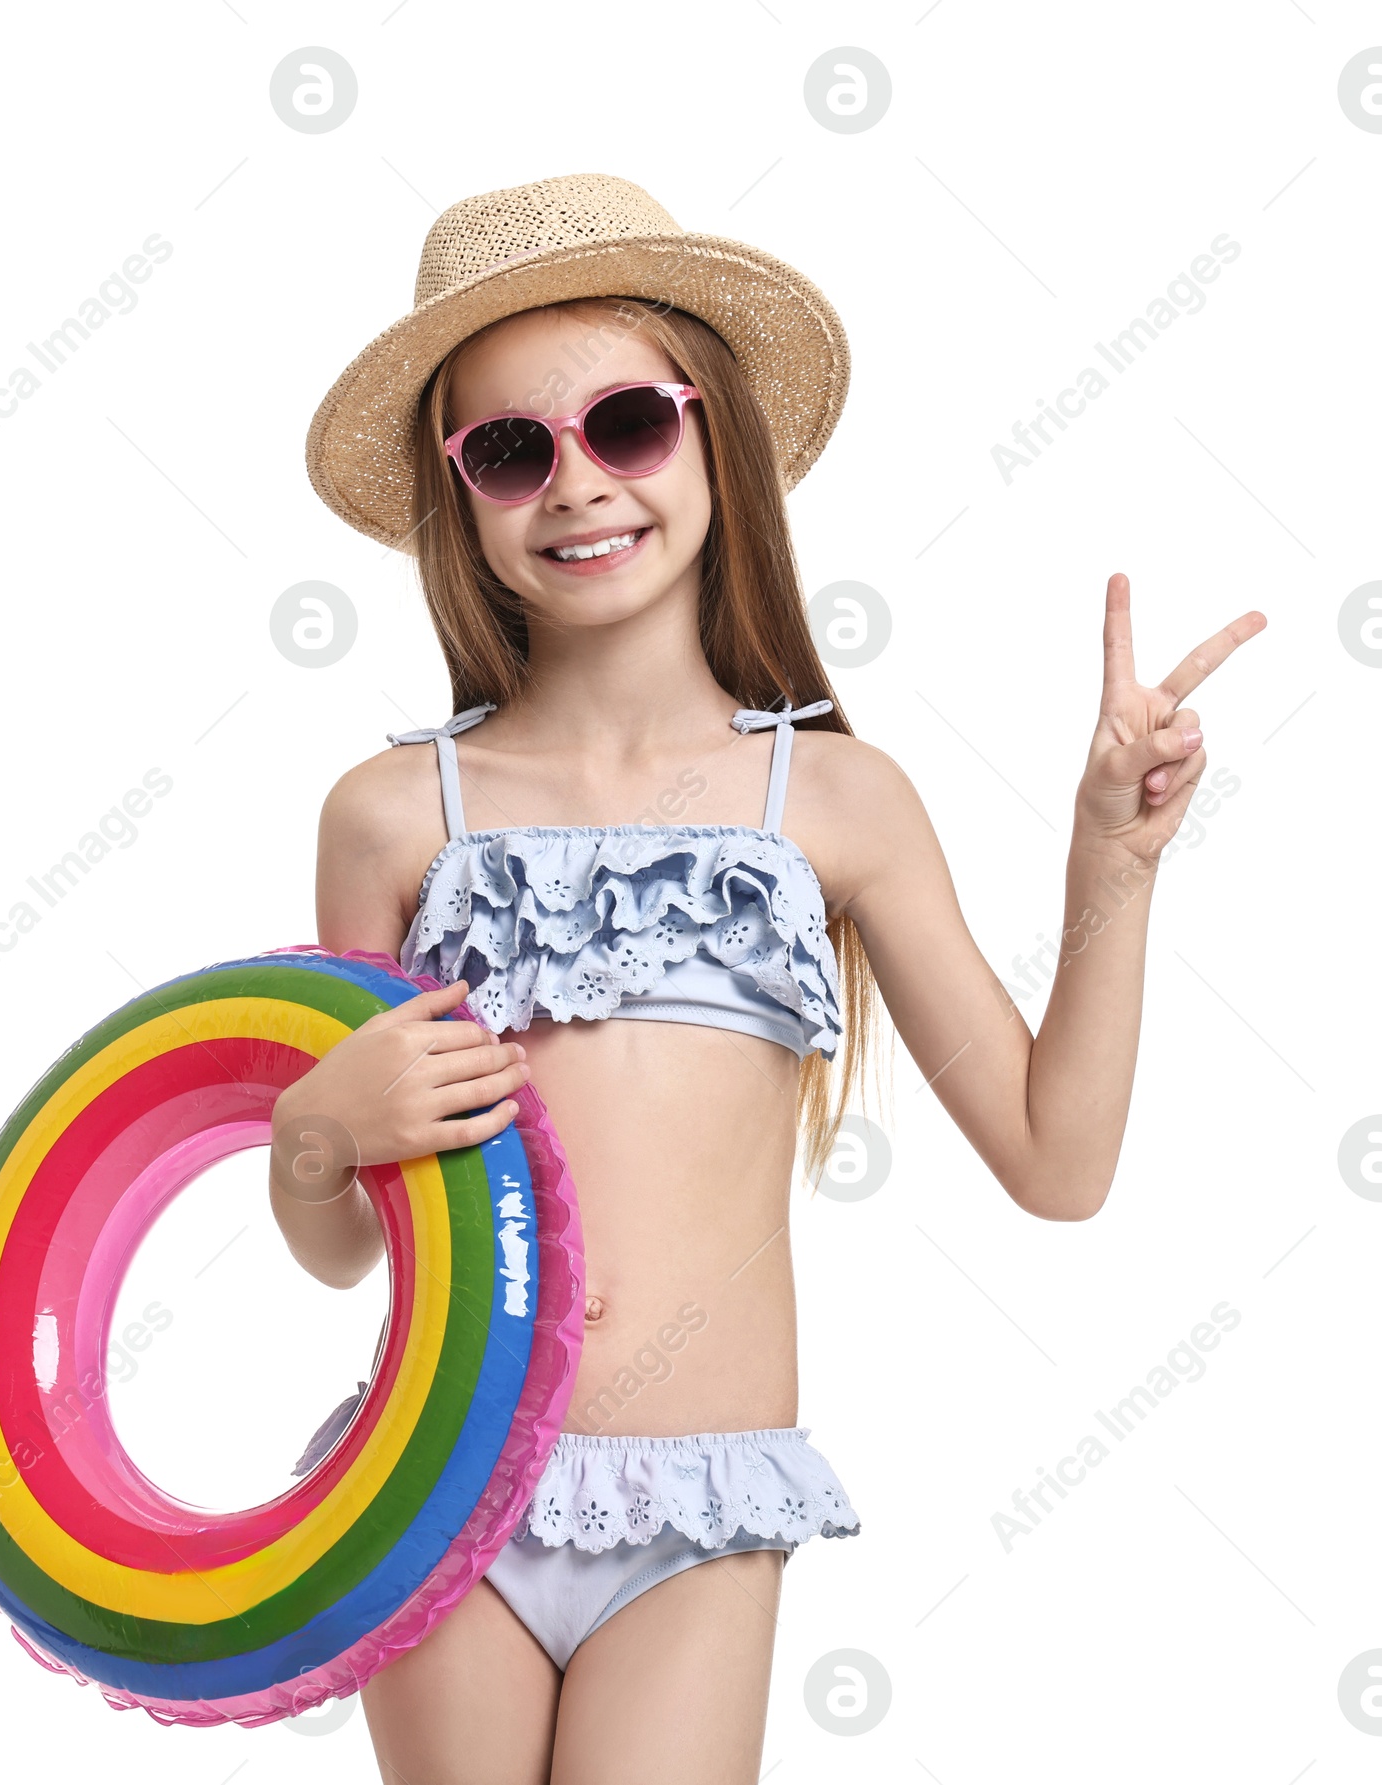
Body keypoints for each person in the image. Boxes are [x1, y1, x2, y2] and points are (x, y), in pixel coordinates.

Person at [270, 173, 1265, 1785]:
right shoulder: (391, 816)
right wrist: (316, 1135)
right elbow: (333, 1252)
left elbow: (1056, 1160)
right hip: (442, 1466)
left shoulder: (839, 803)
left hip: (698, 1502)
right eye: (512, 451)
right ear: (462, 498)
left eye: (626, 425)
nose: (577, 485)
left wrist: (1111, 868)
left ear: (714, 433)